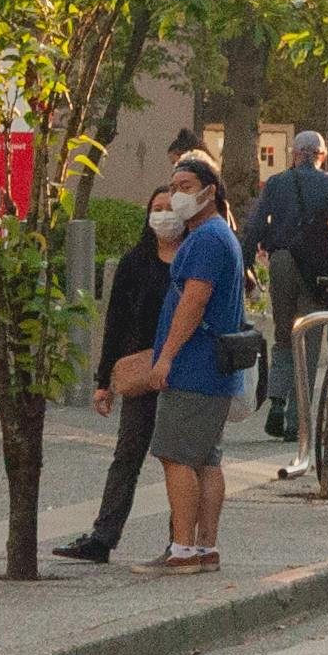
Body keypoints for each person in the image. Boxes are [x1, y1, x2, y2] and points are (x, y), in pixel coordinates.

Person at [56, 194, 183, 564]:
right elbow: (116, 324)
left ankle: (181, 538)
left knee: (179, 459)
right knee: (127, 455)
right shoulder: (134, 263)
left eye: (169, 208)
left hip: (183, 374)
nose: (163, 216)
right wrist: (104, 379)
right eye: (156, 209)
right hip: (141, 375)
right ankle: (103, 536)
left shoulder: (193, 261)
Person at [137, 167, 251, 575]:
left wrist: (165, 357)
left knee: (176, 455)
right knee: (206, 460)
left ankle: (183, 548)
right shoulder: (220, 237)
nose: (176, 195)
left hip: (194, 366)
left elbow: (193, 302)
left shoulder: (206, 239)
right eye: (172, 187)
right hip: (213, 368)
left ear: (210, 191)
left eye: (185, 188)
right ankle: (205, 547)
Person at [248, 131, 328, 443]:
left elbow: (255, 225)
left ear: (294, 154)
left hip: (282, 261)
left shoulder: (276, 183)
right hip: (316, 269)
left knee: (283, 335)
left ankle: (277, 400)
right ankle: (296, 420)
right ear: (322, 155)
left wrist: (245, 264)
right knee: (309, 336)